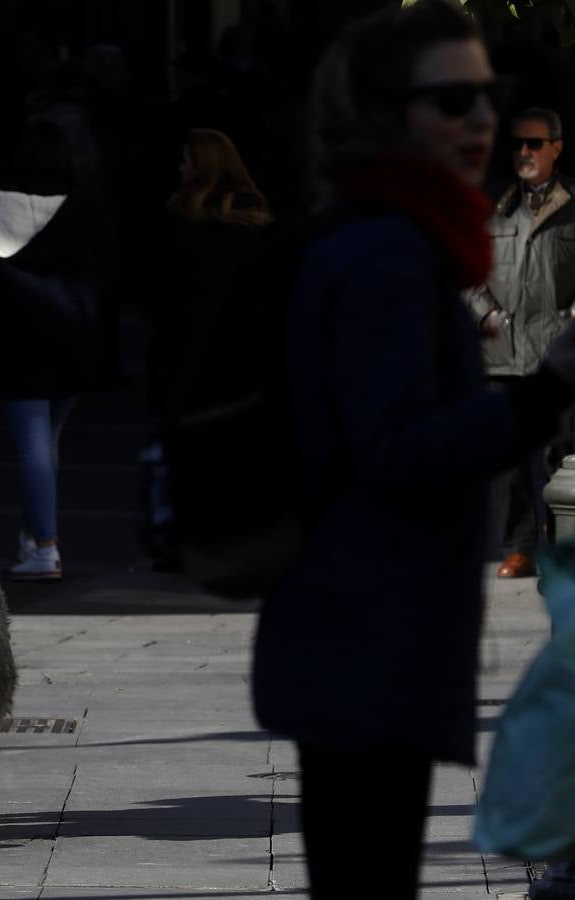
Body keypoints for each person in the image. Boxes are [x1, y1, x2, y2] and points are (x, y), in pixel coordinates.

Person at [249, 2, 575, 896]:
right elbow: (396, 450)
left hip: (362, 633)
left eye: (487, 95)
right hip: (366, 635)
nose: (481, 120)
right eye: (452, 98)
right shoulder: (386, 252)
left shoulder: (385, 235)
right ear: (383, 112)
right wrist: (546, 389)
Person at [0, 119, 107, 582]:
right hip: (72, 339)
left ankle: (44, 545)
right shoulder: (85, 209)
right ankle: (34, 534)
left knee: (33, 444)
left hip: (14, 340)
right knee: (47, 443)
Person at [465, 107, 575, 578]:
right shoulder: (492, 202)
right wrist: (486, 310)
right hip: (503, 349)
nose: (524, 152)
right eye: (517, 145)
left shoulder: (574, 202)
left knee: (562, 449)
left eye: (534, 143)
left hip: (559, 348)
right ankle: (519, 546)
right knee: (508, 458)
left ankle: (560, 539)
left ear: (557, 147)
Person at [149, 128, 273, 417]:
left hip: (184, 348)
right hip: (242, 353)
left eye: (186, 161)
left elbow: (154, 287)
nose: (180, 168)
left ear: (200, 167)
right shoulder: (255, 221)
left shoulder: (177, 220)